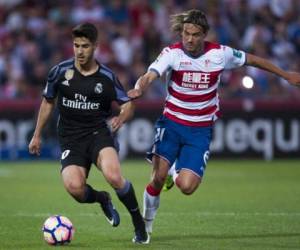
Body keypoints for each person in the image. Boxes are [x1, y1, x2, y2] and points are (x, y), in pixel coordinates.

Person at [127, 9, 300, 236]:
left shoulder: (220, 54)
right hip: (171, 123)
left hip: (200, 130)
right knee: (157, 177)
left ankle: (175, 172)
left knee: (187, 187)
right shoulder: (172, 53)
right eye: (186, 33)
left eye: (195, 34)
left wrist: (286, 75)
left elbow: (254, 60)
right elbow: (150, 74)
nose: (189, 39)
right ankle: (145, 226)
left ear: (205, 34)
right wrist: (140, 88)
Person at [28, 23, 149, 244]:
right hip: (70, 139)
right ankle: (102, 199)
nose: (80, 51)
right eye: (76, 45)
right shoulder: (60, 72)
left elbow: (128, 104)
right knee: (75, 188)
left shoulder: (106, 77)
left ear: (95, 47)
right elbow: (47, 102)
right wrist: (37, 135)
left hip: (98, 134)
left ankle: (139, 224)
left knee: (113, 176)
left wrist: (121, 117)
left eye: (85, 46)